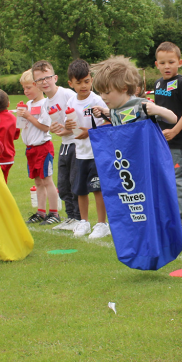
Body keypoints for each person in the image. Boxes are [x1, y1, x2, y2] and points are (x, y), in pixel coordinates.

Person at [64, 59, 111, 238]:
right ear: (71, 84)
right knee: (80, 189)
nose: (83, 86)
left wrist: (90, 132)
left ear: (91, 79)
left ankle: (102, 224)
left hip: (97, 153)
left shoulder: (97, 100)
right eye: (79, 83)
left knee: (98, 188)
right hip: (80, 153)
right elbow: (69, 127)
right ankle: (84, 222)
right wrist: (65, 126)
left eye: (86, 81)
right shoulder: (70, 102)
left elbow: (109, 122)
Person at [154, 42, 182, 233]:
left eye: (171, 62)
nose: (167, 66)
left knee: (180, 180)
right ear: (156, 64)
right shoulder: (158, 84)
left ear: (179, 62)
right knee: (168, 179)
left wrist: (175, 131)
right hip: (163, 142)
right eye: (162, 63)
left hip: (180, 140)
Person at [31, 60, 78, 229]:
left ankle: (79, 219)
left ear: (55, 78)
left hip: (77, 144)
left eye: (47, 78)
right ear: (36, 84)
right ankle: (71, 217)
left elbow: (78, 120)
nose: (44, 82)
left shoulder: (67, 95)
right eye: (39, 80)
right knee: (63, 184)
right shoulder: (46, 103)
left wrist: (65, 130)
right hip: (65, 144)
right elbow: (53, 125)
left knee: (75, 183)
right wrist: (54, 128)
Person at [16, 69, 60, 224]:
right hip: (31, 149)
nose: (25, 91)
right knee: (37, 182)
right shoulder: (28, 104)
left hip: (43, 147)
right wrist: (21, 117)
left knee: (47, 181)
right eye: (24, 88)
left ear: (38, 86)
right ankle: (40, 212)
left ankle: (54, 213)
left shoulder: (45, 104)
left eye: (29, 87)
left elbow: (45, 127)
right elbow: (23, 125)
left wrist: (28, 116)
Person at [91, 56, 178, 126]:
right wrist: (106, 112)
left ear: (124, 88)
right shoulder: (115, 108)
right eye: (100, 92)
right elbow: (124, 114)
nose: (102, 97)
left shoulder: (140, 105)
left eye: (107, 92)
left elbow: (173, 119)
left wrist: (157, 110)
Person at [0, 87, 19, 183]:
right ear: (8, 104)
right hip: (8, 157)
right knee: (2, 183)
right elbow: (16, 135)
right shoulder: (13, 118)